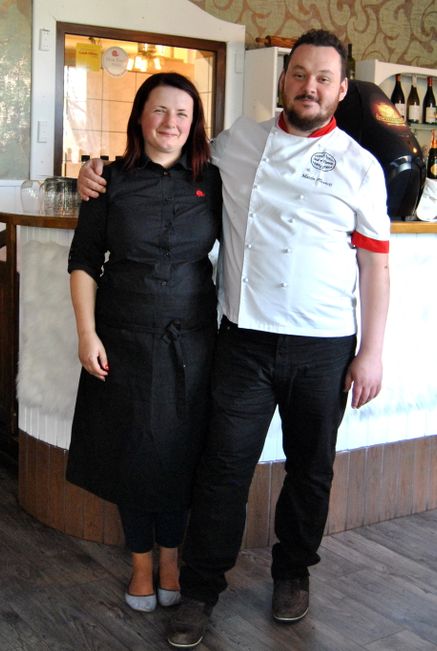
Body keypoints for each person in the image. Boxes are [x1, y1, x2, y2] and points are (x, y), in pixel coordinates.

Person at [78, 29, 390, 649]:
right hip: (243, 340)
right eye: (299, 74)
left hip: (325, 344)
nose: (309, 87)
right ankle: (199, 591)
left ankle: (293, 572)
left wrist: (371, 352)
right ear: (283, 79)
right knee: (222, 468)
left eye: (323, 78)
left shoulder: (361, 165)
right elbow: (168, 150)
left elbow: (375, 265)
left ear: (341, 90)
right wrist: (97, 171)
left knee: (311, 469)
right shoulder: (237, 143)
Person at [67, 72, 221, 615]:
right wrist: (86, 333)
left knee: (181, 453)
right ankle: (139, 564)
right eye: (160, 110)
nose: (170, 123)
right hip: (122, 338)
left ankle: (171, 559)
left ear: (194, 124)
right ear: (140, 116)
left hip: (192, 342)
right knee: (131, 453)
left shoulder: (213, 180)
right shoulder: (107, 180)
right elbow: (84, 259)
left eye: (182, 113)